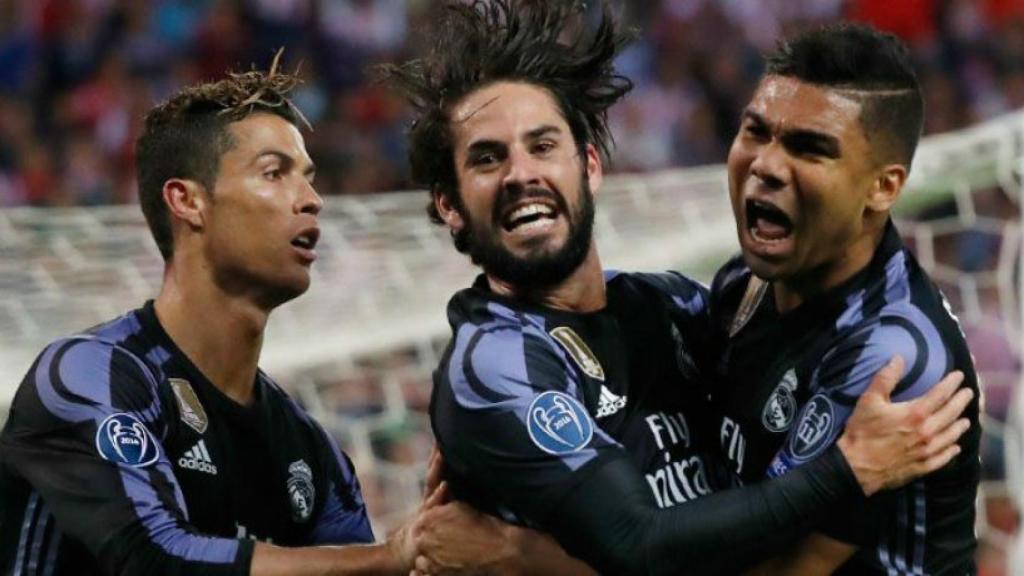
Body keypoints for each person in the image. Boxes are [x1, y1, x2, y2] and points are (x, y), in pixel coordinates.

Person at [381, 2, 974, 575]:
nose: (521, 175)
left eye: (542, 146)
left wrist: (519, 557)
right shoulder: (500, 366)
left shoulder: (888, 364)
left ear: (589, 164)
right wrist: (844, 472)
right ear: (449, 205)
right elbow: (639, 543)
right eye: (756, 132)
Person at [0, 55, 419, 575]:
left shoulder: (311, 450)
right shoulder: (92, 377)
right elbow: (151, 559)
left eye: (308, 179)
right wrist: (393, 556)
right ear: (188, 202)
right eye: (275, 173)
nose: (311, 200)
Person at [708, 23, 981, 575]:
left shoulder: (891, 359)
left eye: (809, 148)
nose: (765, 165)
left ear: (882, 187)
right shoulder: (746, 282)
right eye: (756, 132)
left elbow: (776, 569)